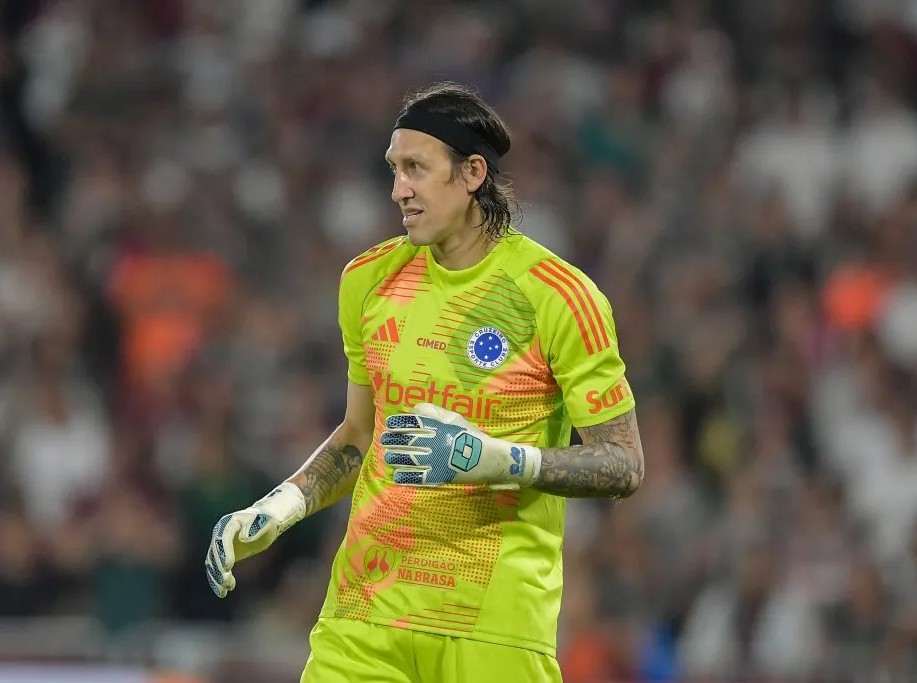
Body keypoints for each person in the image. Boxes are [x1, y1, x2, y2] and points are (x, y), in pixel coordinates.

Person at [204, 82, 644, 682]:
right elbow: (362, 434)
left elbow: (622, 464)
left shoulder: (558, 297)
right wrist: (278, 509)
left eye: (416, 168)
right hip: (365, 614)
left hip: (492, 622)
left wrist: (495, 460)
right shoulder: (367, 281)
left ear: (471, 173)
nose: (398, 190)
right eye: (393, 170)